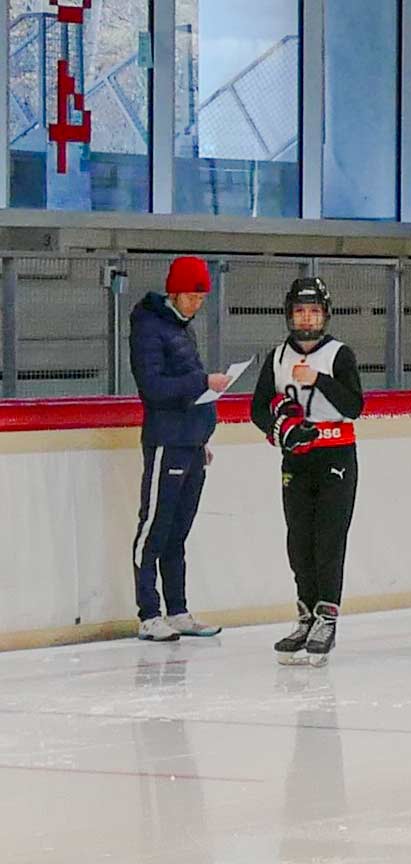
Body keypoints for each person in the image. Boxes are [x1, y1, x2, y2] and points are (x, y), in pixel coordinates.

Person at [250, 277, 365, 664]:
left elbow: (354, 406)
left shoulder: (339, 354)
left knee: (328, 540)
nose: (307, 319)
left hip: (335, 457)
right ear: (289, 315)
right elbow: (257, 407)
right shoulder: (278, 356)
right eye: (300, 311)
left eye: (314, 311)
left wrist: (320, 380)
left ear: (325, 315)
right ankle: (305, 616)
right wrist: (279, 428)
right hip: (296, 460)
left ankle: (327, 617)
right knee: (299, 541)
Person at [129, 255, 231, 642]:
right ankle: (149, 613)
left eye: (202, 298)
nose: (196, 305)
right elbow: (154, 388)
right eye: (192, 296)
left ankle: (178, 609)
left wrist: (200, 439)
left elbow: (188, 387)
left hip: (190, 443)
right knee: (154, 528)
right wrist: (203, 380)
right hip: (166, 442)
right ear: (174, 290)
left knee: (177, 532)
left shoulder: (180, 328)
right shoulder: (149, 327)